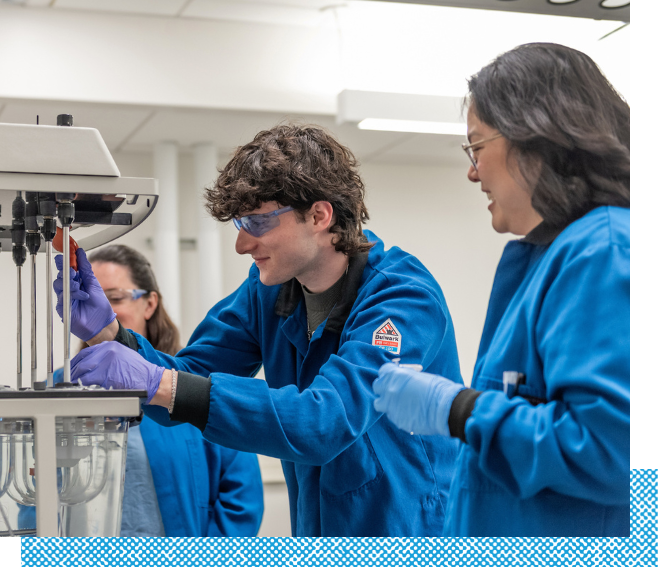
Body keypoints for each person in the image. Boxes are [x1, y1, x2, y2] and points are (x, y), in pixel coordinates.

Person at [54, 124, 461, 536]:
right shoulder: (268, 293)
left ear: (319, 215)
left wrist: (162, 383)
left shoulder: (402, 300)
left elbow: (325, 421)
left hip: (410, 532)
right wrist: (110, 334)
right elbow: (191, 375)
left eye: (258, 222)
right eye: (239, 225)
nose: (242, 245)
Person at [371, 43, 630, 536]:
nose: (472, 172)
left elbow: (615, 452)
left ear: (533, 136)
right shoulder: (547, 256)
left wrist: (459, 410)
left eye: (476, 148)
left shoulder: (605, 250)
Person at [54, 244, 264, 537]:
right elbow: (35, 489)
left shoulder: (191, 382)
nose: (103, 310)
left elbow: (241, 499)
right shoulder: (62, 387)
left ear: (149, 303)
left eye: (114, 297)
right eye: (91, 300)